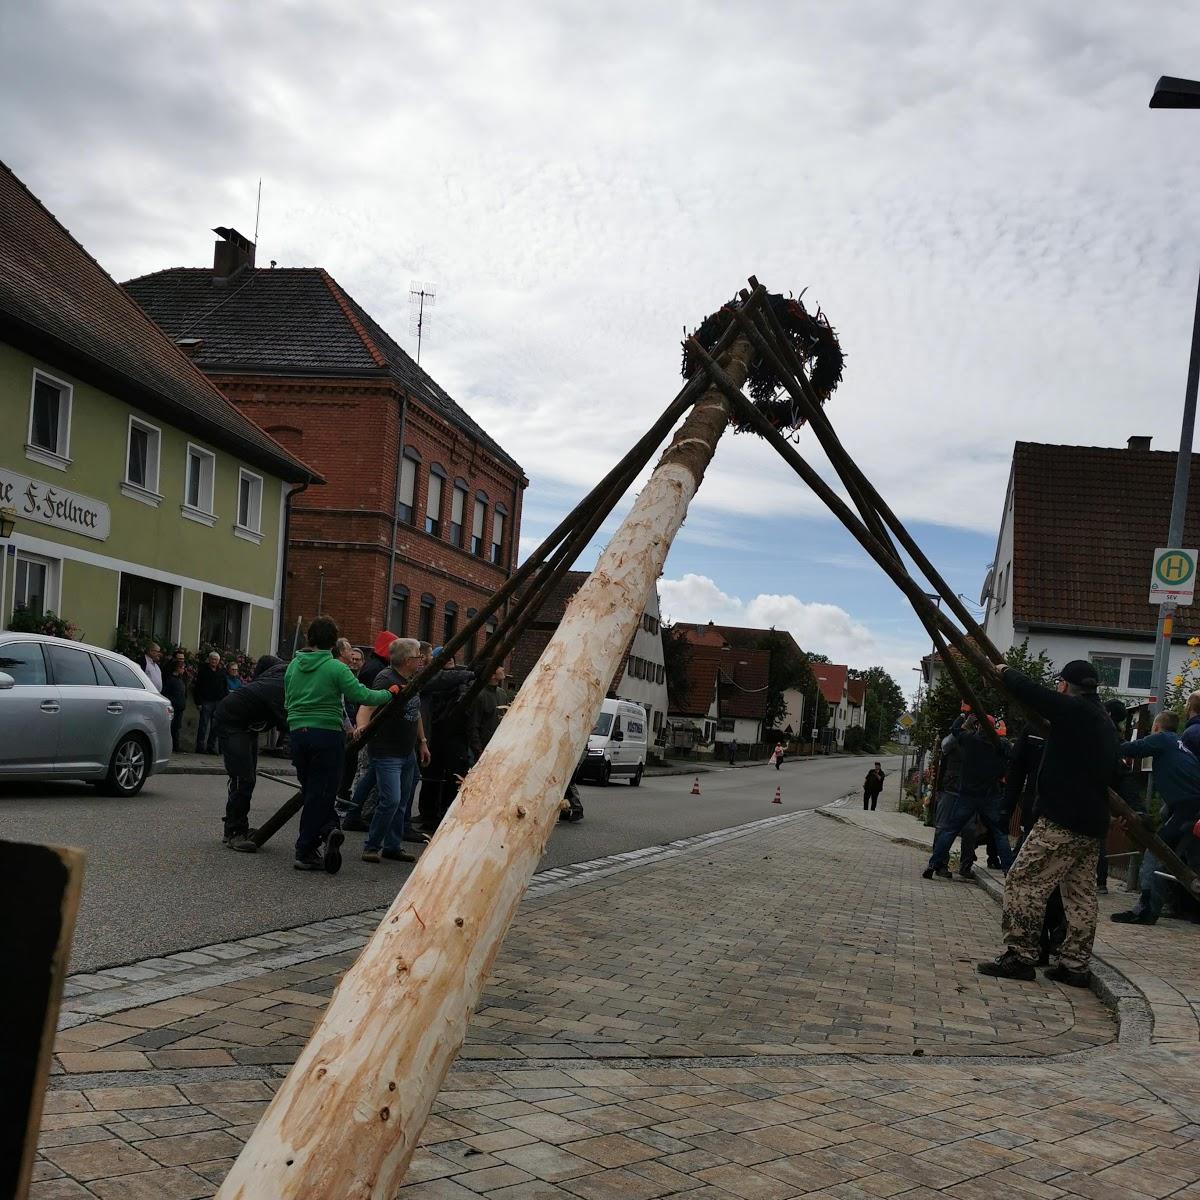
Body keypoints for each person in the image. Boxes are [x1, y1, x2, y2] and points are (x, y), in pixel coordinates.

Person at [979, 660, 1118, 987]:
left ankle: (1020, 955)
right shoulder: (1105, 722)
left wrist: (1004, 672)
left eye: (1059, 685)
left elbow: (1034, 694)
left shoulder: (1076, 711)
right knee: (1079, 893)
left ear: (1065, 685)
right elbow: (1119, 776)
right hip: (1091, 823)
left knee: (1023, 880)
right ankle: (1074, 964)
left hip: (1062, 818)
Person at [285, 616, 395, 873]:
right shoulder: (336, 668)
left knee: (312, 789)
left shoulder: (293, 666)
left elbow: (287, 699)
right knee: (321, 793)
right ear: (334, 643)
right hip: (326, 734)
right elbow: (361, 695)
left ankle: (328, 829)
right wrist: (389, 693)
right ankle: (307, 847)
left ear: (308, 638)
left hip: (298, 732)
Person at [344, 638, 432, 863]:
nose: (421, 660)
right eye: (417, 656)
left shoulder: (412, 679)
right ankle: (372, 846)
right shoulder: (386, 678)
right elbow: (368, 705)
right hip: (387, 751)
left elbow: (415, 712)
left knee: (402, 800)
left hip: (406, 751)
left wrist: (422, 741)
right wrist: (361, 726)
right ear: (406, 660)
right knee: (391, 799)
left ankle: (392, 846)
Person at [1111, 711, 1200, 926]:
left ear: (1157, 728)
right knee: (1191, 860)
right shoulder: (1181, 745)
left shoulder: (1163, 739)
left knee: (1157, 852)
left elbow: (1130, 749)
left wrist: (1103, 740)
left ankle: (1146, 910)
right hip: (1191, 807)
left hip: (1186, 808)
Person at [923, 714, 1012, 880]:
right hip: (990, 795)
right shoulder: (1000, 745)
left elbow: (955, 730)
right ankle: (1009, 870)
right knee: (1000, 833)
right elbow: (1010, 756)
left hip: (967, 795)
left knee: (949, 830)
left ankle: (933, 864)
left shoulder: (970, 740)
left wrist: (964, 718)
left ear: (978, 726)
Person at [215, 655, 287, 852]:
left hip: (246, 725)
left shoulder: (281, 673)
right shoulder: (281, 684)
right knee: (242, 777)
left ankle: (236, 825)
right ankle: (234, 832)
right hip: (233, 722)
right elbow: (288, 720)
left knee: (248, 778)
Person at [469, 666, 510, 761]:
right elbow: (473, 725)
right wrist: (478, 750)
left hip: (500, 747)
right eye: (499, 667)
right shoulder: (480, 696)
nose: (503, 669)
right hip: (484, 749)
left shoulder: (502, 693)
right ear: (492, 675)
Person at [194, 651, 226, 754]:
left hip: (218, 702)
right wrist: (198, 702)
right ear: (209, 659)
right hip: (206, 701)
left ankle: (211, 747)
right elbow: (197, 687)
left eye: (216, 660)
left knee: (215, 726)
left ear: (218, 661)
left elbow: (225, 687)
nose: (214, 661)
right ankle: (200, 747)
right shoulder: (203, 671)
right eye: (212, 659)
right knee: (203, 725)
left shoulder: (221, 672)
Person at [160, 657, 187, 752]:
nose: (183, 670)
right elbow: (166, 693)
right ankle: (171, 746)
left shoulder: (180, 680)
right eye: (182, 668)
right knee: (172, 727)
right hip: (173, 707)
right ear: (177, 668)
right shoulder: (171, 680)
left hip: (180, 707)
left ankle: (176, 746)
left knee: (176, 727)